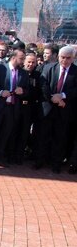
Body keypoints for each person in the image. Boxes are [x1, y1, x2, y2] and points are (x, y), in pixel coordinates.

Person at [36, 45, 77, 173]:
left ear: (73, 58)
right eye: (62, 57)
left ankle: (56, 163)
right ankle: (40, 161)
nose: (64, 61)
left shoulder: (75, 71)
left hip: (64, 110)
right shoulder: (49, 68)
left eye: (68, 58)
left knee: (60, 138)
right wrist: (53, 98)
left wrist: (63, 97)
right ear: (58, 56)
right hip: (48, 108)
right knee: (43, 136)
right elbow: (43, 85)